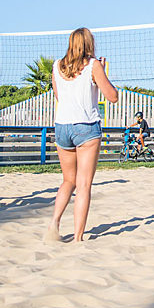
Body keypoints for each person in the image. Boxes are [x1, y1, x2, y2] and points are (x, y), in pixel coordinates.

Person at [45, 28, 118, 244]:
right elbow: (112, 96)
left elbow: (59, 95)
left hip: (62, 125)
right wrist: (102, 71)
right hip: (85, 126)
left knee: (68, 180)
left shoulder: (57, 65)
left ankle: (54, 224)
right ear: (89, 43)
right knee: (84, 184)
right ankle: (78, 237)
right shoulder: (93, 65)